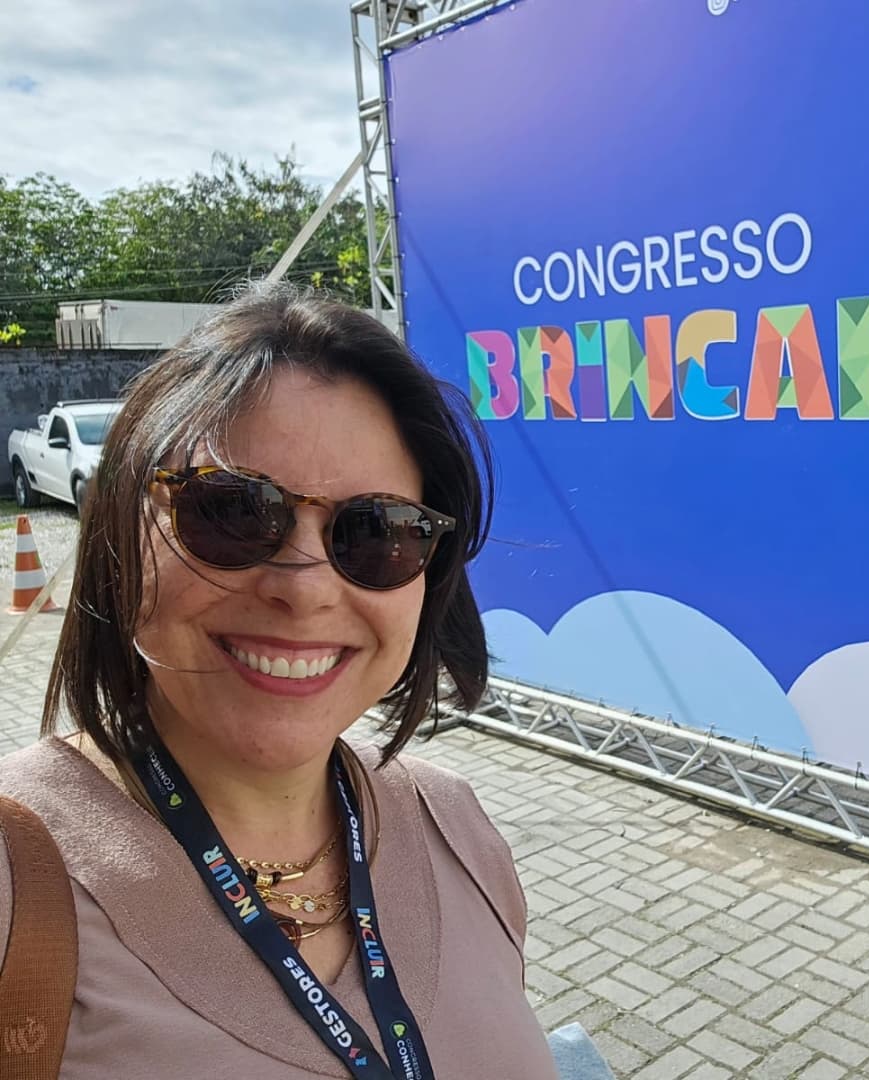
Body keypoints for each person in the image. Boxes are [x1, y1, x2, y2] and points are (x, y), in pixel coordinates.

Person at [0, 282, 562, 1076]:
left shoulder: (456, 827)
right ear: (121, 531)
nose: (305, 589)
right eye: (231, 511)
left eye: (377, 531)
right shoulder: (17, 879)